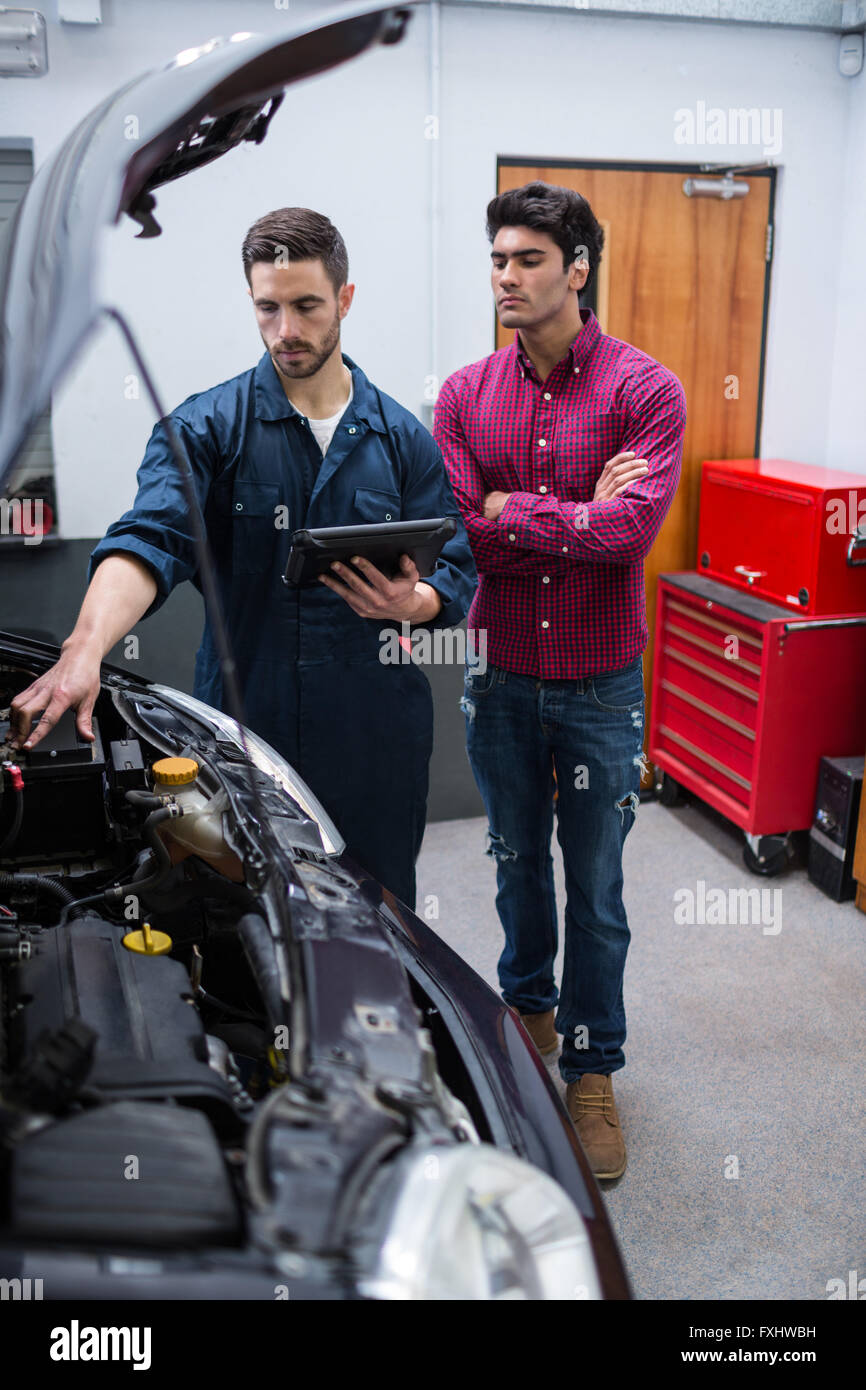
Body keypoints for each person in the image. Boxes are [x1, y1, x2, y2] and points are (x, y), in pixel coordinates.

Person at [10, 207, 476, 910]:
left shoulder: (402, 438)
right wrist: (85, 647)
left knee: (380, 919)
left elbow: (457, 574)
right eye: (268, 307)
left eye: (307, 306)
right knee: (253, 923)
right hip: (245, 739)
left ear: (345, 300)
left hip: (376, 741)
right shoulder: (205, 428)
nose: (286, 330)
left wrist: (417, 604)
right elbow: (149, 538)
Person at [433, 181, 686, 1178]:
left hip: (597, 687)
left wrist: (515, 509)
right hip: (497, 678)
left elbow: (628, 532)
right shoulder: (463, 394)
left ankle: (592, 1069)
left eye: (526, 260)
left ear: (576, 268)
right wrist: (568, 512)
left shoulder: (643, 391)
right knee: (510, 862)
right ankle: (526, 1020)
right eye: (496, 260)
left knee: (597, 886)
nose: (505, 277)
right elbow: (463, 533)